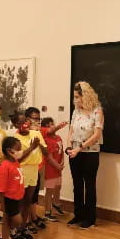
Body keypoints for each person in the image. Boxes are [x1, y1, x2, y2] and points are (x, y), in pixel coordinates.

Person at [66, 81, 104, 229]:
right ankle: (78, 215)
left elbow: (96, 135)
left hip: (90, 154)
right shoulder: (76, 111)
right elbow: (71, 130)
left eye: (77, 97)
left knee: (89, 185)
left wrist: (79, 148)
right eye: (74, 97)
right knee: (77, 185)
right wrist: (69, 146)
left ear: (86, 96)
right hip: (74, 153)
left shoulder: (97, 111)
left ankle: (90, 218)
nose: (75, 100)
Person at [11, 111, 47, 239]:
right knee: (20, 201)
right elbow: (17, 159)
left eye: (25, 121)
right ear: (15, 125)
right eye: (20, 123)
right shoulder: (15, 139)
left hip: (34, 169)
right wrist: (32, 147)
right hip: (22, 170)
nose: (25, 124)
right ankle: (15, 229)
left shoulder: (36, 133)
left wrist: (40, 146)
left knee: (28, 200)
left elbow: (46, 152)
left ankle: (23, 227)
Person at [0, 136, 24, 239]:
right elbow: (0, 187)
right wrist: (2, 204)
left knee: (6, 221)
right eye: (18, 149)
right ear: (9, 150)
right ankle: (11, 231)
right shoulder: (5, 166)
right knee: (16, 220)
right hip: (9, 199)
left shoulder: (16, 163)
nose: (20, 151)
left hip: (17, 197)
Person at [40, 117, 68, 222]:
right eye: (48, 126)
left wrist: (62, 163)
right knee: (50, 190)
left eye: (52, 124)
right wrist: (57, 165)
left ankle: (56, 204)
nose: (51, 126)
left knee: (58, 187)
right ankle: (47, 212)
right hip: (50, 169)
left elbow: (61, 152)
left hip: (58, 168)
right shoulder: (46, 140)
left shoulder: (58, 138)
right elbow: (49, 157)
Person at [24, 107, 46, 232]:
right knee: (27, 197)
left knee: (34, 196)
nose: (37, 121)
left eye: (39, 119)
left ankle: (33, 216)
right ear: (27, 119)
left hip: (37, 167)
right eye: (35, 119)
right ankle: (26, 220)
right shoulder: (23, 132)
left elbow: (44, 150)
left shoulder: (38, 132)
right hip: (26, 168)